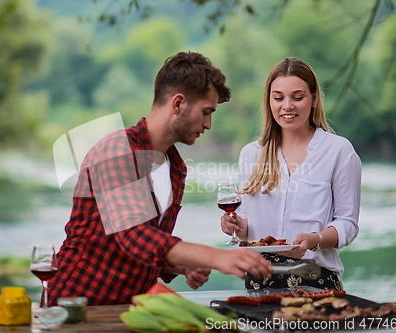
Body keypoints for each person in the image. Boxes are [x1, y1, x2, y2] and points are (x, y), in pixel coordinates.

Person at [48, 51, 272, 306]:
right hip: (76, 308)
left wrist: (182, 266)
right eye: (206, 112)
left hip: (130, 309)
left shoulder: (176, 168)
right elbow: (134, 235)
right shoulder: (117, 150)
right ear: (178, 104)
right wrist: (217, 257)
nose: (209, 124)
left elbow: (146, 247)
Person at [220, 57, 361, 291]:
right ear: (269, 101)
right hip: (259, 278)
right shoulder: (251, 153)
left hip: (315, 280)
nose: (287, 106)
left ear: (314, 99)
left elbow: (348, 224)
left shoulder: (338, 150)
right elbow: (247, 227)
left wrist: (316, 240)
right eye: (278, 98)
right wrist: (235, 225)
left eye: (297, 97)